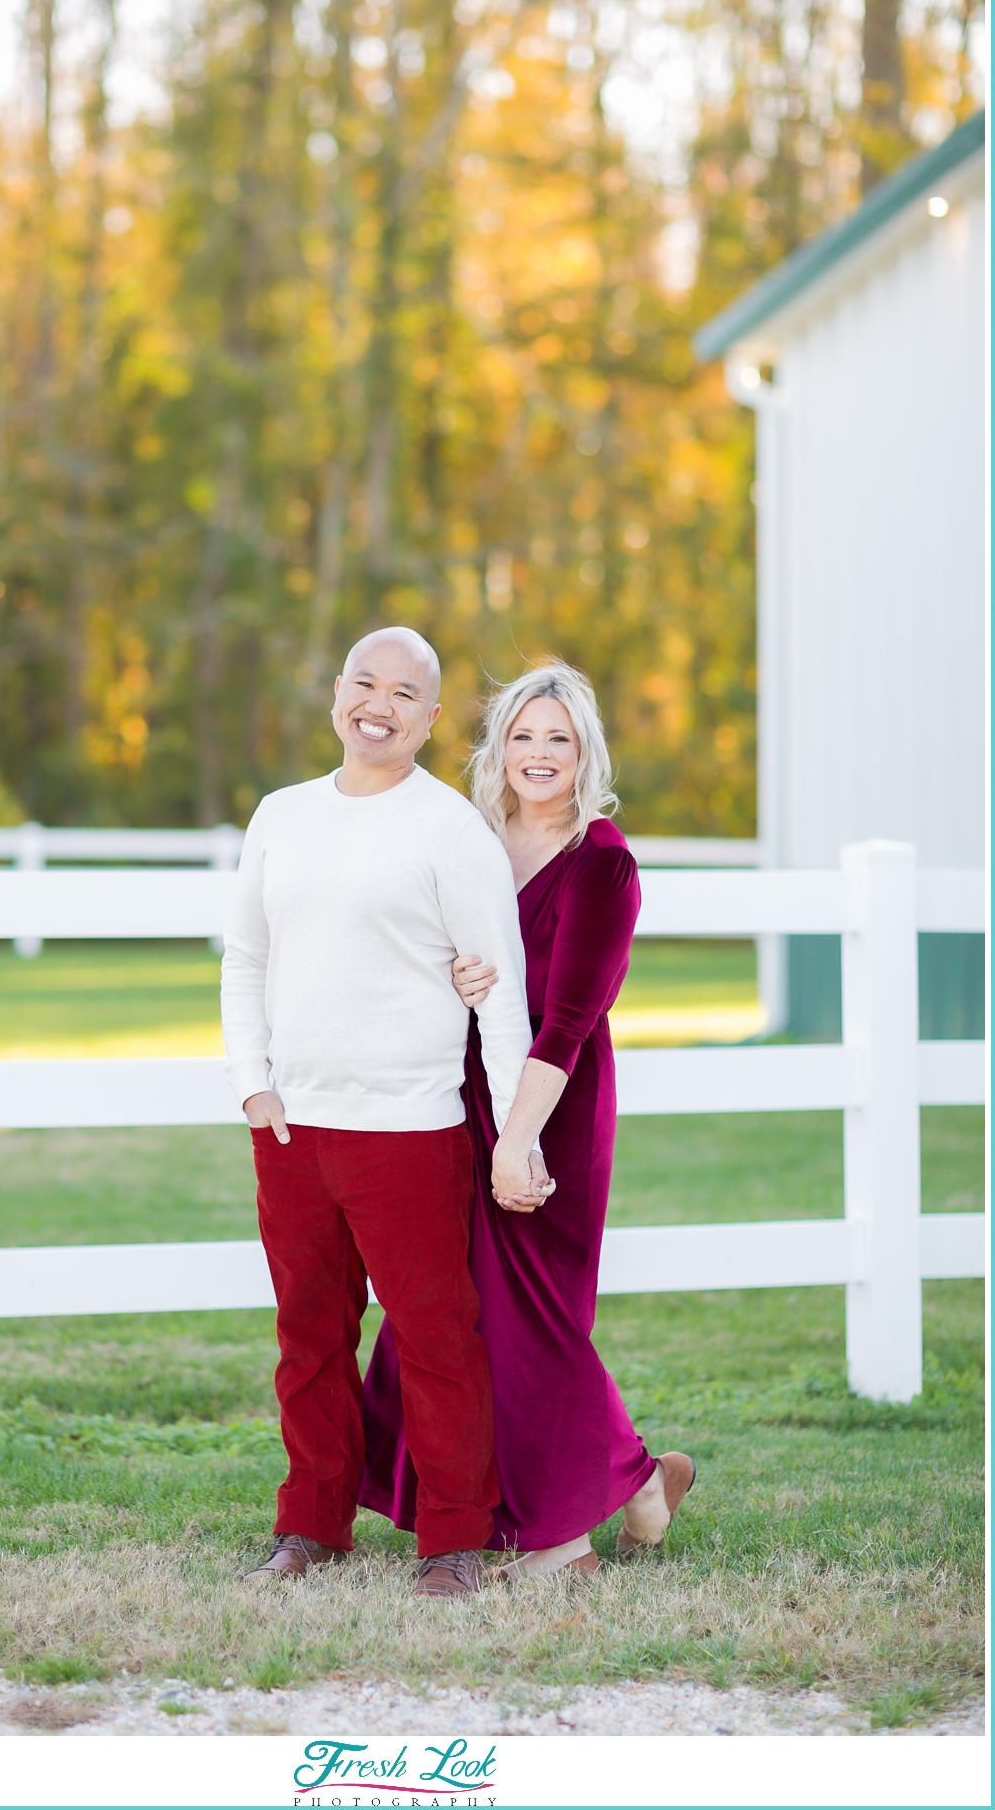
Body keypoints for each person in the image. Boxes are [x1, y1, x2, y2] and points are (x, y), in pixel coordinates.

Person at [220, 626, 548, 1599]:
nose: (381, 703)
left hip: (410, 1130)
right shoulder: (281, 816)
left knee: (437, 1338)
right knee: (309, 1336)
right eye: (365, 683)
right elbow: (247, 957)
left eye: (405, 692)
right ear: (337, 695)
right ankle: (311, 1526)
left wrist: (509, 1136)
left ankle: (453, 1541)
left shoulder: (450, 830)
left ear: (432, 717)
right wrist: (253, 1082)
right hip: (293, 1130)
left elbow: (500, 992)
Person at [360, 660, 695, 1576]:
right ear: (497, 749)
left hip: (551, 1106)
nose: (539, 755)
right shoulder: (472, 838)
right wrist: (457, 974)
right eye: (523, 737)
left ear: (584, 751)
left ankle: (559, 1538)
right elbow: (423, 946)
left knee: (532, 1318)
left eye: (559, 738)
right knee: (450, 1306)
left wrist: (518, 1140)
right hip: (458, 1094)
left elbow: (571, 1022)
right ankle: (633, 1479)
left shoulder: (602, 860)